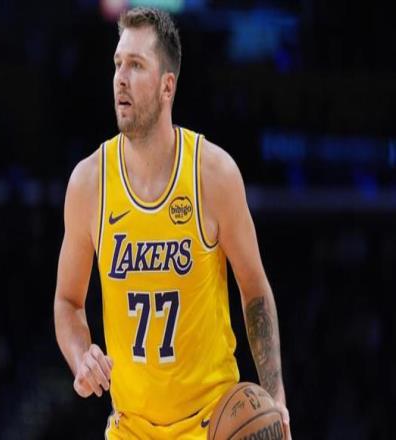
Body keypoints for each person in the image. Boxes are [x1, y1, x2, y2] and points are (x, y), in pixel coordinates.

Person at [54, 7, 291, 439]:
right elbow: (68, 301)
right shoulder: (89, 183)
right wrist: (80, 355)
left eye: (136, 65)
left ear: (168, 86)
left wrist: (275, 395)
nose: (120, 78)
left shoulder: (213, 175)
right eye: (117, 64)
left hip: (211, 422)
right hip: (129, 427)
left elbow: (254, 288)